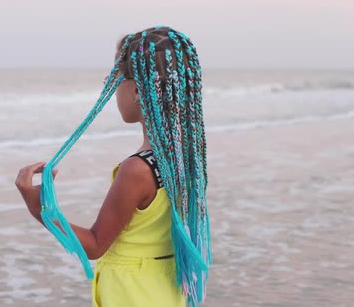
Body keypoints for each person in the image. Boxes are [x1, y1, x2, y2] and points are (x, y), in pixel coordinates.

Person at [15, 26, 211, 307]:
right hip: (166, 292)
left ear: (136, 90)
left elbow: (95, 245)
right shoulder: (186, 159)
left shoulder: (137, 170)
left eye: (115, 77)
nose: (109, 83)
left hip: (131, 294)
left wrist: (41, 209)